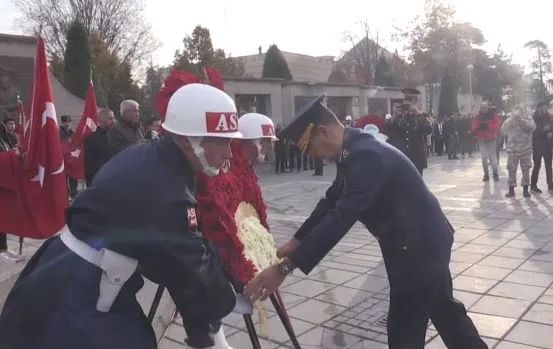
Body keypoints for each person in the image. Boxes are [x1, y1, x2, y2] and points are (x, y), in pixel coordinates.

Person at [0, 83, 243, 349]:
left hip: (63, 269)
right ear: (188, 141)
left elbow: (171, 258)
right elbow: (191, 266)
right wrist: (230, 298)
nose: (229, 153)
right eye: (222, 141)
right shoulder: (167, 191)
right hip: (77, 289)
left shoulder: (150, 158)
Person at [245, 95, 488, 349]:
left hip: (417, 248)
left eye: (311, 148)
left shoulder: (366, 155)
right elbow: (332, 200)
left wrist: (286, 267)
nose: (315, 157)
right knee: (446, 314)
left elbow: (342, 217)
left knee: (404, 328)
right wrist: (297, 240)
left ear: (324, 132)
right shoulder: (354, 146)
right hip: (422, 240)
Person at [385, 88, 432, 175]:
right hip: (402, 156)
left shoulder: (421, 116)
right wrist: (394, 115)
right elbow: (386, 131)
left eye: (410, 100)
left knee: (417, 185)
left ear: (416, 102)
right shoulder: (398, 116)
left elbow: (429, 129)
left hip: (417, 157)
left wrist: (417, 114)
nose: (407, 103)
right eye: (406, 100)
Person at [502, 107, 536, 198]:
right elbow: (503, 130)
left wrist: (521, 121)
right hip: (513, 149)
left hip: (525, 149)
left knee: (525, 170)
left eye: (519, 112)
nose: (517, 114)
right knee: (511, 169)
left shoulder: (528, 119)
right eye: (516, 112)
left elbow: (531, 128)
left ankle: (525, 189)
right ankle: (511, 189)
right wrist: (511, 121)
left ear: (523, 112)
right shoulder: (510, 120)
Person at [83, 108, 115, 186]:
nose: (113, 121)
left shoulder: (116, 137)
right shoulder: (92, 140)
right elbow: (88, 165)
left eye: (113, 118)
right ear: (101, 120)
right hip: (100, 180)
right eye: (110, 118)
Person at [472, 102, 501, 182]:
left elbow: (498, 125)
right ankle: (486, 174)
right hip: (482, 139)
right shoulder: (477, 117)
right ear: (480, 108)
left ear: (488, 108)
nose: (483, 109)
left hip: (491, 139)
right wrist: (479, 126)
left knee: (493, 157)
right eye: (482, 107)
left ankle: (495, 173)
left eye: (485, 107)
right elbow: (473, 127)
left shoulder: (493, 116)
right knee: (484, 158)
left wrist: (489, 126)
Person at [530, 101, 553, 193]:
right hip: (537, 144)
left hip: (547, 144)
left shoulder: (548, 116)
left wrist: (550, 132)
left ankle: (550, 186)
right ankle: (533, 185)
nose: (546, 109)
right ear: (539, 108)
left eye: (546, 107)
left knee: (549, 166)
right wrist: (543, 130)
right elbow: (533, 130)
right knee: (537, 165)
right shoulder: (534, 117)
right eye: (544, 107)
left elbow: (551, 127)